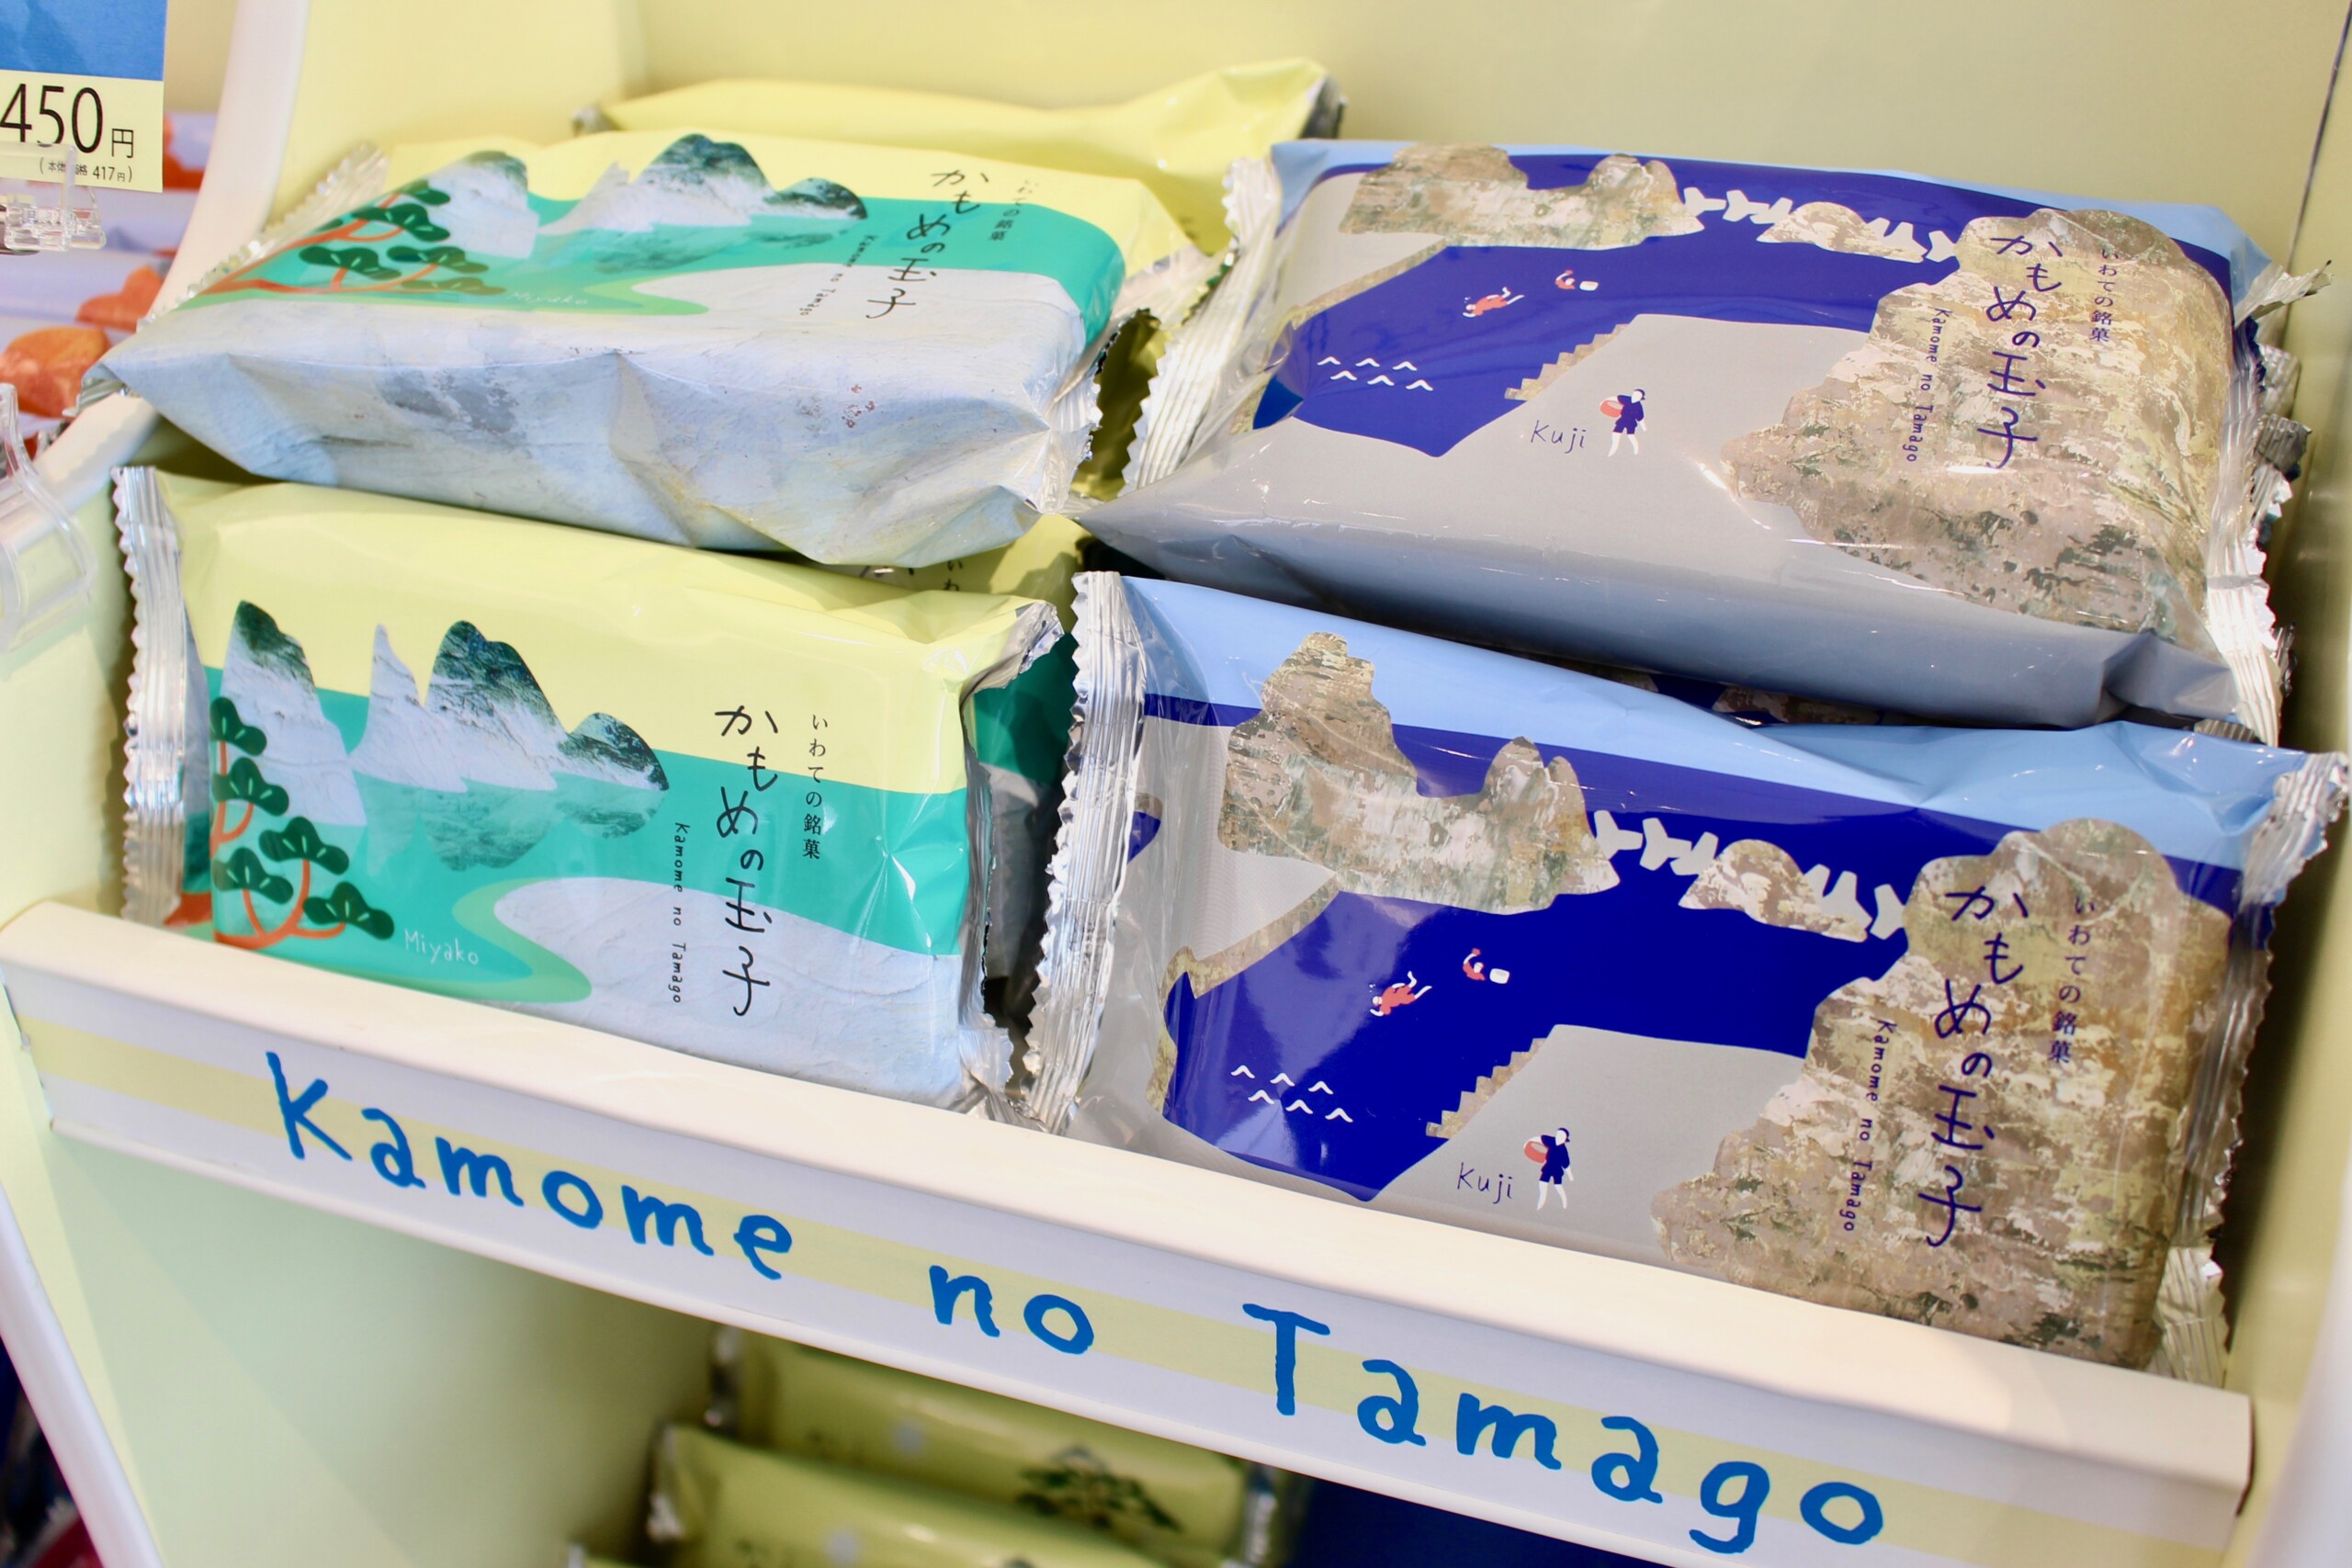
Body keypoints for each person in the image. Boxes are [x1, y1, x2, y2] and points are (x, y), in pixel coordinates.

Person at [1608, 389, 1645, 456]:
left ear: (1641, 397)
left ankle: (1636, 449)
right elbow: (1616, 398)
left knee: (1630, 436)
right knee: (1616, 434)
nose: (1635, 396)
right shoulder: (1627, 399)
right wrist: (1604, 401)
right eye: (1634, 394)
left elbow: (1640, 418)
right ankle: (1612, 450)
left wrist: (1644, 428)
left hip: (1631, 422)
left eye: (1638, 395)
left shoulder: (1639, 407)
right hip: (1622, 420)